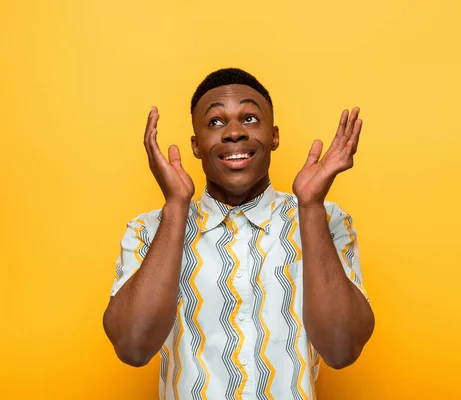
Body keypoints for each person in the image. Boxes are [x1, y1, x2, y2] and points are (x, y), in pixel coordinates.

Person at [103, 68, 375, 400]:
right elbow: (132, 347)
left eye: (249, 118)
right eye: (216, 122)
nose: (234, 133)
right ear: (196, 145)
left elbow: (341, 350)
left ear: (274, 136)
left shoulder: (326, 220)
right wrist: (175, 206)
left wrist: (311, 208)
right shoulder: (148, 230)